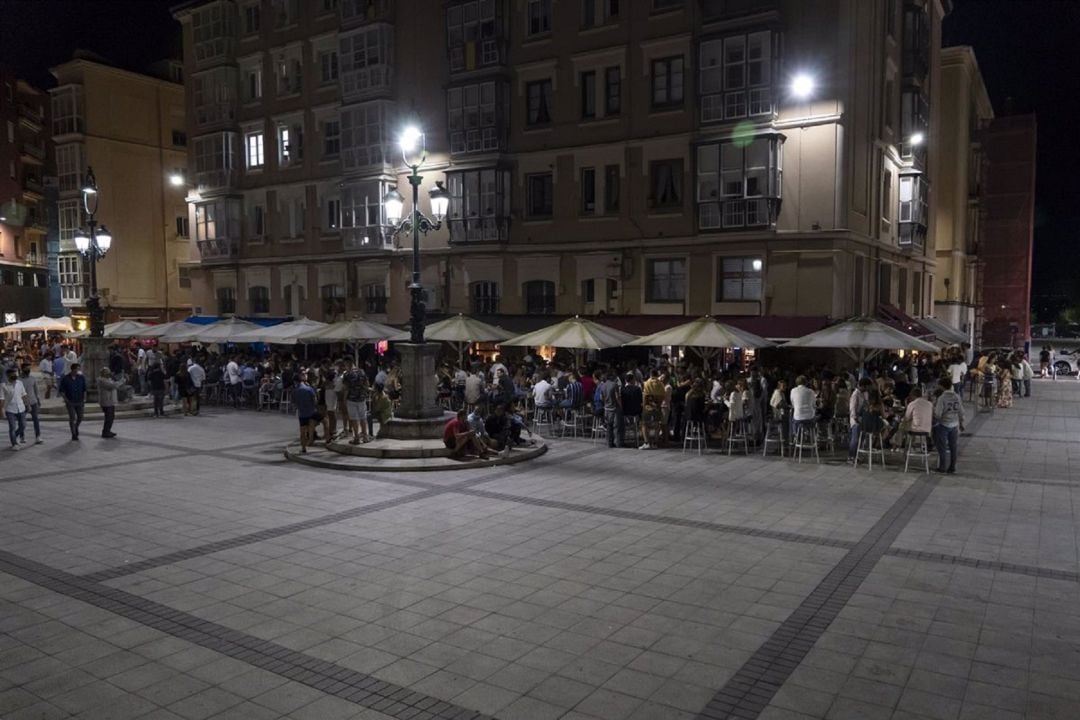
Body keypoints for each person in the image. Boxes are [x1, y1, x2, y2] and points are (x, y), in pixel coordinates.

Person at [933, 376, 965, 473]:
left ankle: (942, 467)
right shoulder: (957, 396)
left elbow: (938, 414)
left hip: (943, 424)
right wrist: (961, 422)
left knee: (942, 447)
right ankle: (952, 467)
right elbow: (961, 411)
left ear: (942, 386)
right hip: (954, 423)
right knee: (953, 447)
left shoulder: (942, 398)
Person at [342, 363, 371, 444]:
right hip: (361, 398)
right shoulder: (362, 372)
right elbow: (367, 384)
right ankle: (365, 437)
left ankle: (357, 438)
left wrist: (344, 400)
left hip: (351, 399)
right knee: (363, 417)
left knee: (354, 419)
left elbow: (345, 388)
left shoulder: (347, 374)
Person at [291, 375, 320, 454]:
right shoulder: (309, 389)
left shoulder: (295, 391)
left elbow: (294, 403)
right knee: (311, 428)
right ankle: (311, 441)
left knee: (302, 432)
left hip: (302, 414)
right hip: (311, 411)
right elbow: (315, 400)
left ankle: (303, 448)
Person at [59, 362, 87, 441]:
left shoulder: (81, 378)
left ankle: (76, 426)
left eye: (78, 369)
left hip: (80, 400)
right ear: (73, 369)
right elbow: (62, 390)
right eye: (76, 369)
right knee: (72, 417)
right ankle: (74, 434)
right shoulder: (65, 378)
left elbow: (84, 389)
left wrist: (84, 398)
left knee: (80, 417)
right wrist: (65, 399)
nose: (77, 371)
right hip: (70, 400)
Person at [2, 367, 27, 451]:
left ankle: (14, 436)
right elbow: (1, 399)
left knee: (23, 426)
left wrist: (28, 404)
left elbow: (24, 394)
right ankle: (14, 443)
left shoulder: (20, 383)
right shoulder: (3, 385)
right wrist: (1, 410)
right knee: (12, 427)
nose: (14, 375)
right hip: (10, 409)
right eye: (12, 374)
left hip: (21, 408)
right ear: (8, 375)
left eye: (15, 374)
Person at [19, 364, 42, 445]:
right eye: (26, 368)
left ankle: (38, 436)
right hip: (22, 403)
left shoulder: (32, 378)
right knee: (21, 421)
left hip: (33, 402)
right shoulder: (18, 380)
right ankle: (22, 436)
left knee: (36, 420)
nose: (28, 369)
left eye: (29, 368)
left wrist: (38, 400)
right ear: (22, 369)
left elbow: (36, 390)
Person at [600, 371, 622, 449]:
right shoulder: (614, 385)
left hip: (606, 408)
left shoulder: (602, 386)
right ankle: (617, 443)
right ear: (611, 377)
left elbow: (601, 397)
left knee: (609, 426)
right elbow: (617, 397)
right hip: (614, 408)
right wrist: (621, 406)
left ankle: (609, 442)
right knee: (616, 427)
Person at [98, 368, 120, 438]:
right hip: (106, 402)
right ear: (103, 373)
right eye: (107, 372)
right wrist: (123, 380)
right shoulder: (102, 380)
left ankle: (107, 431)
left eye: (109, 372)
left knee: (111, 417)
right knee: (109, 417)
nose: (109, 373)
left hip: (111, 401)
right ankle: (105, 432)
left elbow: (114, 384)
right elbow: (113, 386)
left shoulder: (108, 379)